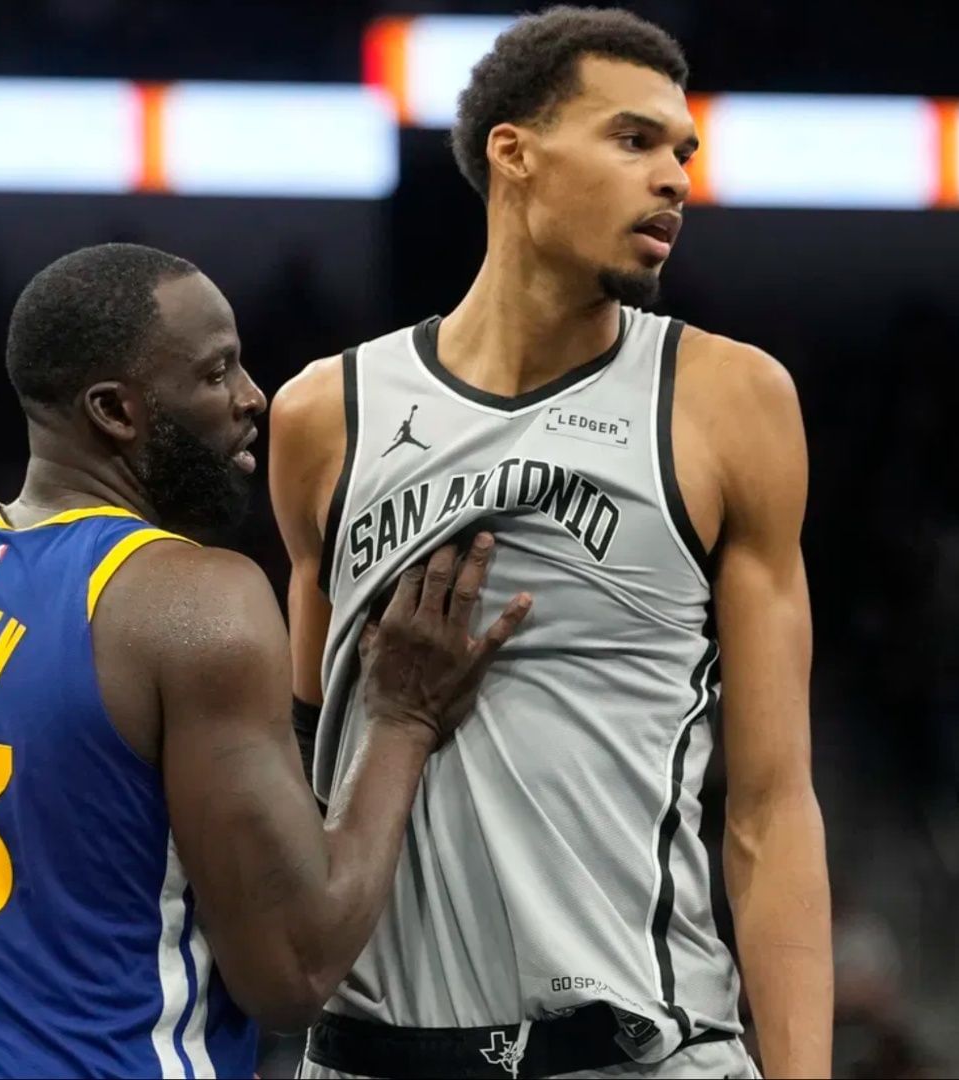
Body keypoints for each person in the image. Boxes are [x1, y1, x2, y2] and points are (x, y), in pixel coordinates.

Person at [0, 243, 532, 1079]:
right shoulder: (191, 601)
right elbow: (293, 971)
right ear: (115, 410)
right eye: (218, 373)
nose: (255, 399)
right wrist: (402, 721)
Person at [269, 8, 830, 1078]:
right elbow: (308, 786)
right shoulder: (322, 416)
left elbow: (769, 806)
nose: (673, 178)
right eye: (633, 140)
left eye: (683, 153)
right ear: (514, 153)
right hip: (369, 1051)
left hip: (636, 1048)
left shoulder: (727, 400)